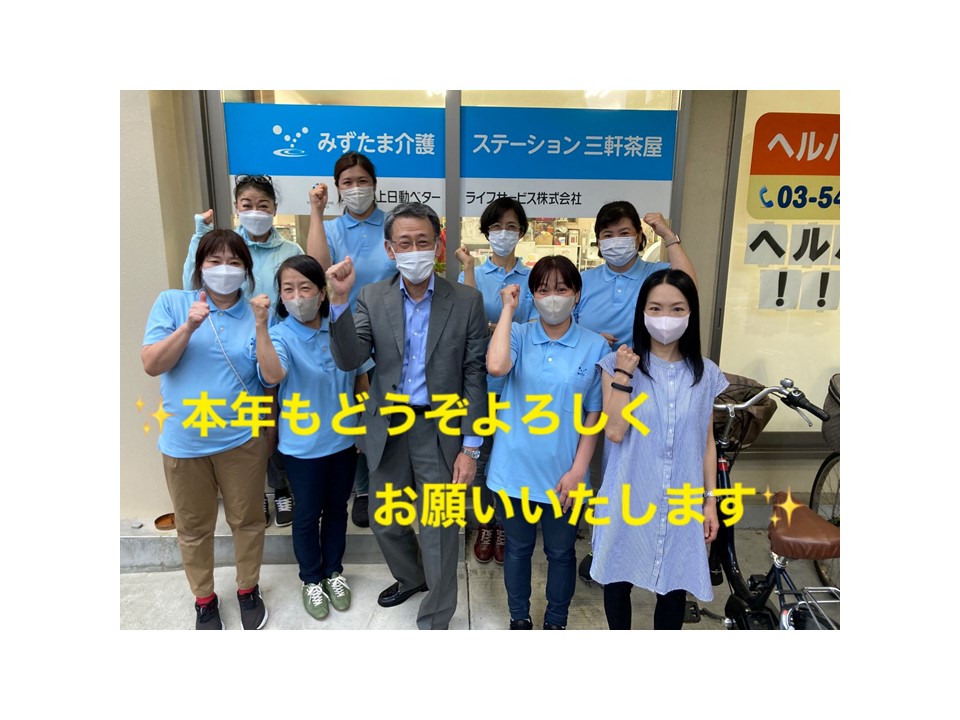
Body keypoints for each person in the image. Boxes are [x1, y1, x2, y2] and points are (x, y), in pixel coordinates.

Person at [325, 202, 488, 630]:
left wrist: (471, 447)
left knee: (439, 528)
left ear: (438, 246)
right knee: (386, 519)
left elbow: (474, 373)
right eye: (404, 243)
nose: (414, 250)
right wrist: (338, 301)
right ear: (389, 249)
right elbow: (350, 358)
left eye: (422, 242)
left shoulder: (466, 301)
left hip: (441, 428)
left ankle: (436, 615)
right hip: (389, 427)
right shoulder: (370, 296)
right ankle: (412, 577)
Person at [141, 229, 270, 630]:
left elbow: (269, 377)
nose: (224, 269)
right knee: (194, 528)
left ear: (246, 270)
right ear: (199, 267)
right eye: (215, 261)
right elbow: (152, 364)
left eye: (234, 262)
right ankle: (204, 598)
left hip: (242, 439)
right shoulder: (173, 303)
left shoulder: (255, 313)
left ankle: (248, 588)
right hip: (185, 443)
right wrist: (188, 328)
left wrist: (263, 325)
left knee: (247, 520)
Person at [590, 268, 728, 630]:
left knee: (674, 586)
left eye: (677, 309)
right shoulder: (617, 365)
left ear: (691, 313)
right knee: (617, 577)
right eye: (656, 308)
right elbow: (614, 431)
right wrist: (624, 375)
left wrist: (710, 501)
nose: (666, 317)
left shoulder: (705, 374)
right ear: (643, 313)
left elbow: (706, 442)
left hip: (681, 498)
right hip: (629, 493)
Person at [574, 200, 699, 580]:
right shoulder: (586, 280)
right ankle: (602, 546)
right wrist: (592, 337)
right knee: (597, 467)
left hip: (645, 385)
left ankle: (638, 543)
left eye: (624, 233)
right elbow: (566, 322)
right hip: (593, 383)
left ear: (640, 238)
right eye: (607, 235)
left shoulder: (655, 273)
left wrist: (669, 236)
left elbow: (688, 289)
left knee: (635, 466)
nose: (616, 241)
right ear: (598, 242)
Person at [485, 255, 607, 630]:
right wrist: (508, 310)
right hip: (514, 470)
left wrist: (578, 471)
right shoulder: (518, 335)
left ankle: (556, 621)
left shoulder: (595, 346)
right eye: (542, 289)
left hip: (564, 475)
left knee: (561, 552)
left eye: (561, 288)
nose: (552, 297)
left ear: (577, 294)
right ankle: (518, 618)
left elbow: (594, 416)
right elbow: (496, 366)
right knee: (518, 550)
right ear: (532, 296)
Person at [254, 256, 373, 620]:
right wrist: (260, 327)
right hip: (301, 446)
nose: (297, 296)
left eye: (305, 288)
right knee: (306, 515)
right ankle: (311, 579)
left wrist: (362, 426)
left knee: (337, 509)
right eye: (288, 289)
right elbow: (272, 376)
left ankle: (334, 571)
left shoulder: (339, 327)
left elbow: (360, 377)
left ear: (322, 293)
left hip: (343, 441)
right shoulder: (279, 335)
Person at [182, 174, 303, 529]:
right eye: (247, 205)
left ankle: (282, 488)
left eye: (263, 205)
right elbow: (192, 282)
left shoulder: (290, 251)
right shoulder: (228, 247)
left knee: (277, 418)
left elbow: (299, 292)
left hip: (279, 347)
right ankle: (259, 493)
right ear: (236, 207)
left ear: (275, 209)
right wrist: (199, 235)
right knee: (250, 422)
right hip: (233, 347)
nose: (255, 212)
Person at [307, 152, 394, 528]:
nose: (356, 188)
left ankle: (389, 483)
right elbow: (316, 268)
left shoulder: (391, 224)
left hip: (391, 331)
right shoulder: (332, 229)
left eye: (362, 181)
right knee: (355, 411)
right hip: (346, 329)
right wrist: (316, 211)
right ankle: (363, 489)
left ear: (374, 184)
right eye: (348, 183)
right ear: (338, 189)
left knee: (389, 409)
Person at [454, 197, 537, 565]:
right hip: (479, 382)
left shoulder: (532, 278)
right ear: (486, 232)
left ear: (522, 232)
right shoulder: (474, 274)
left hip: (519, 383)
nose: (504, 233)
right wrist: (469, 269)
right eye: (497, 227)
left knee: (513, 454)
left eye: (511, 227)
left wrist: (498, 327)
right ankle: (486, 523)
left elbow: (536, 328)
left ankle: (505, 525)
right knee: (482, 455)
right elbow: (466, 318)